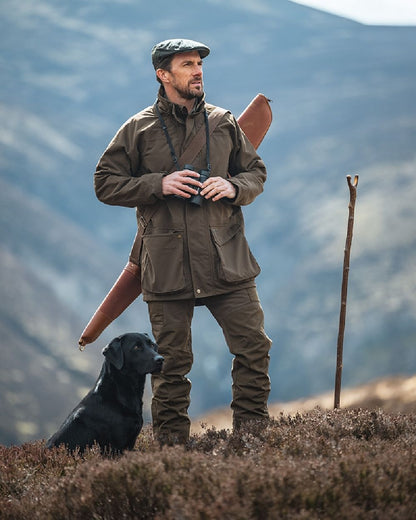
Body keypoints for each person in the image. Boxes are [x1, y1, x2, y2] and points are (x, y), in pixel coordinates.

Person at [94, 38, 272, 444]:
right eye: (187, 64)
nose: (198, 71)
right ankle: (174, 455)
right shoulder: (137, 129)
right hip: (167, 265)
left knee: (254, 350)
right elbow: (104, 184)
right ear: (163, 74)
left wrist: (232, 187)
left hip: (227, 260)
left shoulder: (224, 122)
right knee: (170, 366)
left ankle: (252, 442)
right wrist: (160, 183)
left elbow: (256, 172)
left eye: (199, 64)